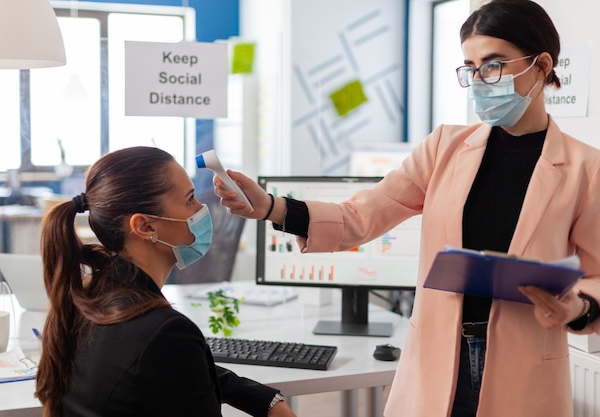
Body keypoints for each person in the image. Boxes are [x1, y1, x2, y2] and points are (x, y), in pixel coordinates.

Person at [214, 1, 600, 416]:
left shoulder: (586, 169)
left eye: (494, 65)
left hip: (524, 367)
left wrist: (577, 306)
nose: (480, 80)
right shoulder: (444, 147)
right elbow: (361, 215)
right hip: (437, 356)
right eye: (471, 68)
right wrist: (271, 207)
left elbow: (596, 274)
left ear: (541, 66)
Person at [35, 146, 297, 417]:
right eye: (190, 200)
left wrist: (262, 398)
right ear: (145, 226)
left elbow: (169, 366)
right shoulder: (165, 332)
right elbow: (168, 353)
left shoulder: (94, 299)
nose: (202, 210)